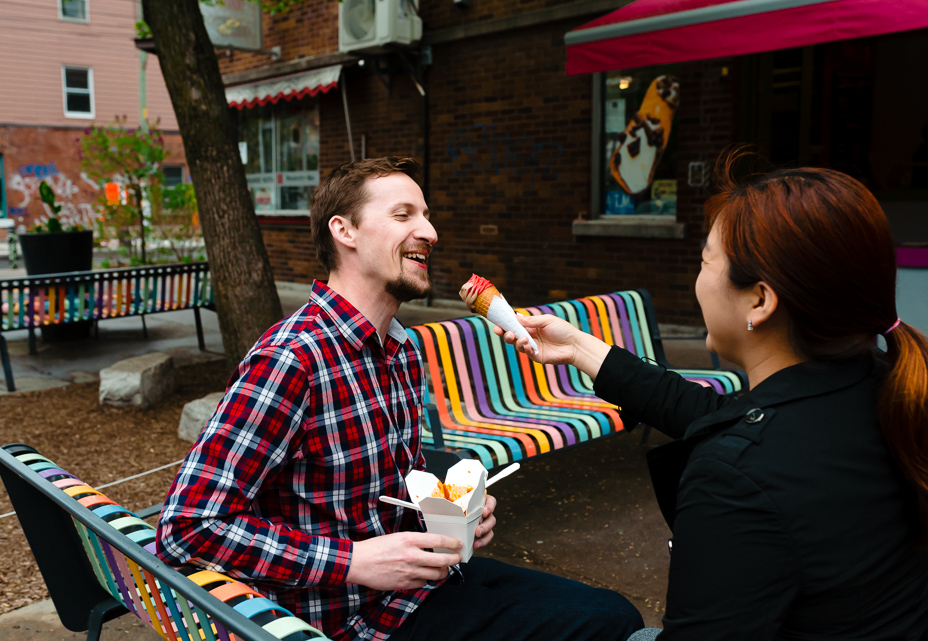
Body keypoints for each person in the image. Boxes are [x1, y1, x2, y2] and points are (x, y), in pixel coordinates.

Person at [156, 157, 643, 641]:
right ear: (344, 231)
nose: (429, 232)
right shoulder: (292, 360)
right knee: (609, 625)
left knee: (613, 611)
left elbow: (387, 488)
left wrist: (453, 513)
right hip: (353, 623)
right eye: (404, 215)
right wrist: (354, 561)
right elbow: (187, 526)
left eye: (427, 216)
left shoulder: (402, 348)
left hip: (426, 586)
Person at [497, 153, 928, 639]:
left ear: (759, 301)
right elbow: (714, 413)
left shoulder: (737, 478)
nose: (697, 278)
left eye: (706, 261)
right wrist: (578, 346)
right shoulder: (885, 390)